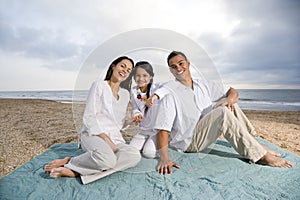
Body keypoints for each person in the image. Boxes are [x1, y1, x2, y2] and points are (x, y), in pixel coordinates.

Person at [154, 51, 293, 175]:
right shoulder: (170, 93)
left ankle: (256, 144)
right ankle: (260, 156)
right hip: (189, 142)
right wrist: (164, 159)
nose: (178, 68)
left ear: (188, 64)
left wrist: (229, 100)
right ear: (170, 71)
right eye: (173, 66)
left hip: (204, 130)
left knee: (230, 104)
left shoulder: (202, 85)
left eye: (180, 63)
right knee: (222, 112)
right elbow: (163, 128)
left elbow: (232, 91)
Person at [44, 56, 141, 183]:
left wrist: (131, 121)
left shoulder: (125, 94)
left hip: (115, 138)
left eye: (129, 70)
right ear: (113, 66)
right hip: (93, 134)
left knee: (134, 156)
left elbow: (118, 123)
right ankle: (71, 164)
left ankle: (78, 170)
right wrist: (106, 139)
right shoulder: (99, 85)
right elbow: (89, 117)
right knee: (107, 160)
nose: (125, 71)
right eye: (122, 66)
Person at [129, 61, 167, 158]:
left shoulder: (157, 88)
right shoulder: (134, 91)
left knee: (148, 153)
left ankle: (166, 142)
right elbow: (134, 108)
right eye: (138, 76)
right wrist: (137, 114)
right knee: (132, 151)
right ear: (134, 77)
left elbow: (169, 88)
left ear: (151, 76)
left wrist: (155, 96)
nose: (141, 79)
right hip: (143, 130)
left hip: (155, 131)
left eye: (145, 75)